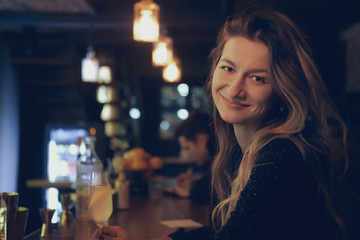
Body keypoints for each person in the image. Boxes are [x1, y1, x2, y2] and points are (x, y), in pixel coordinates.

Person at [92, 4, 354, 240]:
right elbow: (222, 233)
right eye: (228, 68)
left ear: (282, 90)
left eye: (257, 78)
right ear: (215, 66)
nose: (234, 89)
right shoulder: (238, 151)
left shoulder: (281, 154)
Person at [166, 111, 215, 204]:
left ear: (201, 139)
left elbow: (210, 193)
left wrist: (192, 190)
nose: (183, 156)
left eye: (187, 148)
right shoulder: (212, 165)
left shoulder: (223, 161)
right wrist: (193, 183)